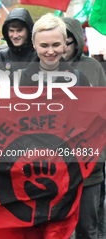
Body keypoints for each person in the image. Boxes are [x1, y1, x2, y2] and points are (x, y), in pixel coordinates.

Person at [61, 17, 106, 239]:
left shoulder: (94, 68)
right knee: (58, 229)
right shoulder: (42, 68)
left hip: (90, 165)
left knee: (88, 228)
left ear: (77, 41)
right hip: (57, 168)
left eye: (68, 42)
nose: (63, 48)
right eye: (60, 42)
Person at [13, 13, 89, 87]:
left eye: (56, 45)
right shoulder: (17, 80)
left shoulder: (80, 81)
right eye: (44, 46)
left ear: (65, 43)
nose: (50, 52)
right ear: (34, 44)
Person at [0, 8, 37, 75]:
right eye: (11, 31)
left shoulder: (39, 56)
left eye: (19, 30)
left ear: (29, 31)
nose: (15, 36)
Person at [62, 17, 106, 87]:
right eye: (57, 44)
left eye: (66, 43)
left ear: (77, 43)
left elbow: (103, 93)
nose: (61, 48)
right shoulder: (45, 65)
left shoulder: (93, 66)